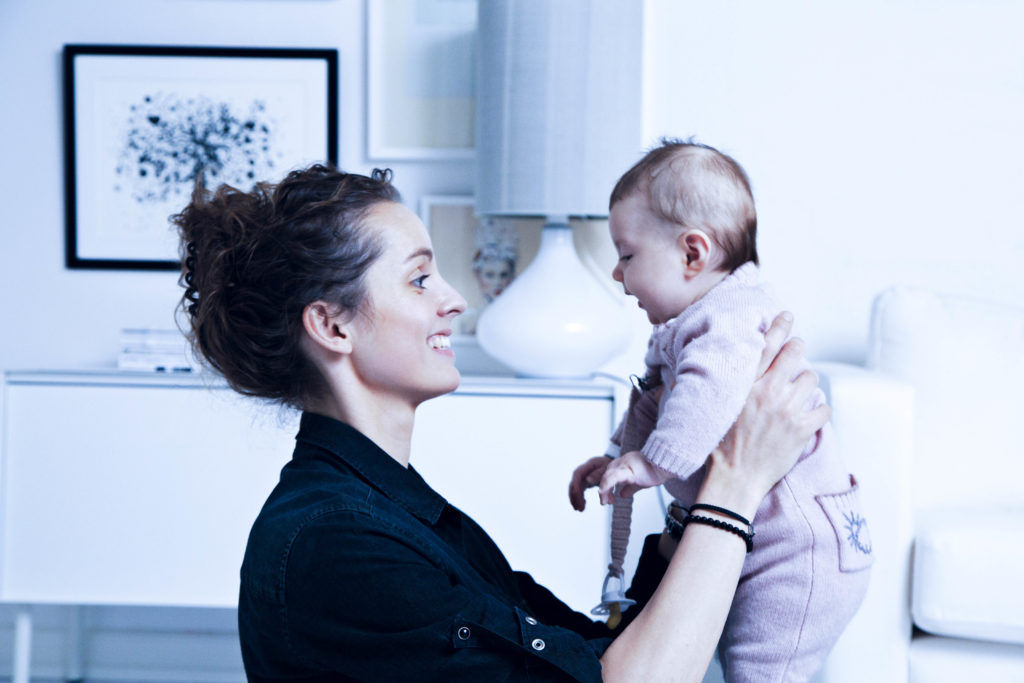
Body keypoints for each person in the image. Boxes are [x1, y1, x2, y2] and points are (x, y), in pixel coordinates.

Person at [174, 162, 829, 682]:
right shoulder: (337, 547)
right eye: (420, 279)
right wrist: (738, 481)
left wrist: (693, 498)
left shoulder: (406, 518)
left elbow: (592, 656)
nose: (455, 299)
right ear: (332, 325)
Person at [568, 140, 872, 682]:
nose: (617, 273)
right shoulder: (686, 325)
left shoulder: (729, 320)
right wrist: (618, 457)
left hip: (797, 551)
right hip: (757, 538)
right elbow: (655, 402)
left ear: (693, 254)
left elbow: (705, 396)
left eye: (627, 255)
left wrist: (651, 465)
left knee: (760, 672)